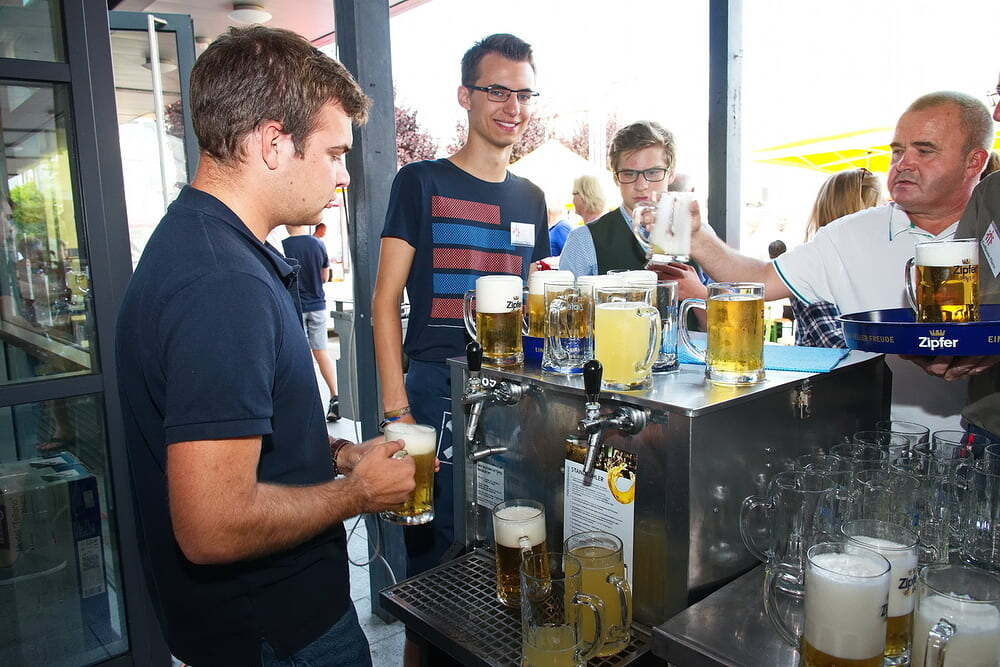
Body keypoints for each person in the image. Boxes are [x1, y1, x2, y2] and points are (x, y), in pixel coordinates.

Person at [115, 27, 419, 666]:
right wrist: (358, 494)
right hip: (280, 634)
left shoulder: (203, 244)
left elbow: (243, 438)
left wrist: (338, 455)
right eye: (334, 153)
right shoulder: (222, 283)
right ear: (273, 143)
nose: (343, 175)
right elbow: (211, 525)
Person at [684, 91, 993, 432]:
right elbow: (760, 278)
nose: (903, 164)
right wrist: (698, 237)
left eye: (924, 151)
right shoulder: (849, 234)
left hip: (984, 442)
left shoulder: (992, 228)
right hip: (876, 446)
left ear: (974, 162)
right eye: (897, 151)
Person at [373, 31, 548, 578]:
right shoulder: (420, 181)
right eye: (497, 91)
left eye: (523, 94)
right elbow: (384, 302)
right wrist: (397, 412)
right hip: (435, 387)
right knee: (434, 554)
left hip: (509, 390)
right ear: (465, 96)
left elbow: (536, 301)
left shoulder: (532, 198)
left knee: (507, 534)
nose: (513, 107)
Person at [907, 77, 1000, 442]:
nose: (996, 113)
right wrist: (936, 343)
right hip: (987, 428)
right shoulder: (991, 193)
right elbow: (962, 305)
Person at [792, 167, 884, 347]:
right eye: (877, 209)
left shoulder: (868, 264)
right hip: (834, 364)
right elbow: (834, 343)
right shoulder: (815, 266)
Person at [282, 224, 340, 421]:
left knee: (302, 357)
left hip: (295, 307)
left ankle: (308, 406)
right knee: (321, 352)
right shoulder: (318, 244)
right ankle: (335, 397)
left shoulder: (283, 246)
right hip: (317, 305)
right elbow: (325, 276)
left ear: (287, 226)